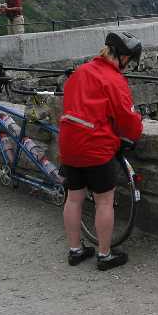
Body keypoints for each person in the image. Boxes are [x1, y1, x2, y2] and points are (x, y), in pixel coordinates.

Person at [59, 31, 144, 270]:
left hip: (69, 143)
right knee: (104, 201)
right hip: (95, 146)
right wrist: (136, 129)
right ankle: (105, 255)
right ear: (124, 57)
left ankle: (75, 250)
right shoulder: (114, 80)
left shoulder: (81, 71)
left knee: (73, 198)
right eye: (130, 61)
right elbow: (127, 120)